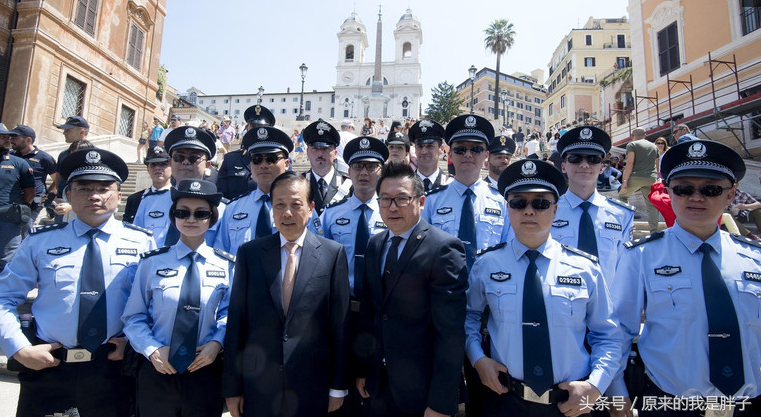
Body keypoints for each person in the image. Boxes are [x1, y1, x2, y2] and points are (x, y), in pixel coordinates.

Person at [609, 140, 761, 417]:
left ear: (730, 195)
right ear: (669, 193)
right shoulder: (642, 256)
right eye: (683, 189)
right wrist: (617, 395)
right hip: (672, 405)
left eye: (711, 189)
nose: (696, 197)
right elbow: (619, 330)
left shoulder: (755, 259)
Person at [0, 148, 156, 416]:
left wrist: (136, 341)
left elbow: (155, 304)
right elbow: (5, 296)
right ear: (68, 195)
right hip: (48, 367)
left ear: (119, 196)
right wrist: (19, 349)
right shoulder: (40, 241)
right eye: (83, 188)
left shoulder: (143, 242)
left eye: (104, 188)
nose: (94, 195)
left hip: (113, 368)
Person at [467, 159, 623, 417]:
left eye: (540, 203)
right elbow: (469, 316)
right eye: (519, 203)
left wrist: (596, 385)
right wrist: (477, 358)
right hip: (505, 401)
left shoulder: (584, 268)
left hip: (572, 402)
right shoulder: (486, 264)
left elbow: (607, 334)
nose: (529, 211)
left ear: (555, 210)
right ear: (508, 208)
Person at [222, 171, 350, 417]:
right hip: (258, 383)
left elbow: (339, 326)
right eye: (279, 205)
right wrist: (232, 388)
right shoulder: (250, 254)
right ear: (271, 208)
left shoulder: (332, 254)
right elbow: (238, 323)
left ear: (311, 208)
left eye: (296, 204)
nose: (287, 213)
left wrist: (338, 386)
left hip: (313, 382)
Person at [356, 162, 468, 417]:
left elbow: (450, 333)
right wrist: (364, 369)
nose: (393, 207)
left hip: (423, 390)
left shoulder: (444, 249)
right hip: (379, 385)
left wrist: (441, 401)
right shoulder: (375, 245)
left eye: (402, 199)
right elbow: (370, 314)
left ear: (421, 201)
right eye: (385, 200)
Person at [122, 179, 233, 417]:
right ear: (173, 217)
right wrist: (152, 350)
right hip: (158, 368)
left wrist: (216, 344)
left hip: (206, 369)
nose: (191, 219)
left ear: (211, 218)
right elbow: (134, 316)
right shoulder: (151, 263)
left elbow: (229, 314)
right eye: (183, 213)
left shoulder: (227, 266)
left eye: (200, 213)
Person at [319, 135, 388, 416]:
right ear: (348, 171)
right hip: (343, 309)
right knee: (341, 381)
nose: (363, 172)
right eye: (357, 166)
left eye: (370, 166)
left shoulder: (393, 212)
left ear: (380, 171)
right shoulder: (331, 215)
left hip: (380, 309)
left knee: (377, 387)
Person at [422, 114, 509, 271]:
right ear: (449, 155)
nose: (468, 154)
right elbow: (423, 250)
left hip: (489, 286)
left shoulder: (502, 201)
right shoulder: (432, 200)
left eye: (476, 149)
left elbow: (508, 248)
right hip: (444, 286)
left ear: (486, 155)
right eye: (460, 149)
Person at [552, 126, 635, 283]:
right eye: (575, 159)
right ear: (563, 166)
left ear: (601, 167)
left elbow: (626, 269)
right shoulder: (547, 211)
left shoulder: (621, 214)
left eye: (593, 159)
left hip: (609, 303)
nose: (584, 165)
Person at [134, 126, 222, 246]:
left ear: (207, 164)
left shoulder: (221, 209)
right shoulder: (149, 201)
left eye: (194, 158)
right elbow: (136, 245)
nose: (185, 162)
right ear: (170, 162)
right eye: (178, 157)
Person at [214, 126, 292, 255]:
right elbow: (221, 254)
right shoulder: (233, 208)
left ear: (287, 164)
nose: (263, 165)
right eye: (256, 159)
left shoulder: (300, 207)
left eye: (271, 159)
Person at [216, 105, 275, 200]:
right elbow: (221, 195)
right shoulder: (230, 159)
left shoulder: (279, 160)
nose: (257, 131)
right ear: (247, 129)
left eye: (261, 127)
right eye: (253, 127)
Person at [0, 123, 34, 271]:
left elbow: (30, 192)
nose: (8, 139)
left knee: (6, 260)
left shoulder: (19, 163)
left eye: (9, 137)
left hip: (8, 219)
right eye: (3, 137)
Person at [8, 125, 56, 229]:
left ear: (28, 140)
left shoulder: (44, 158)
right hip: (12, 202)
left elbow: (58, 180)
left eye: (15, 137)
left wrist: (48, 194)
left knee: (24, 233)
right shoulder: (10, 156)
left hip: (33, 205)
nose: (11, 140)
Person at [302, 120, 352, 216]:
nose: (320, 154)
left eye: (325, 149)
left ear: (335, 153)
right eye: (315, 149)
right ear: (308, 152)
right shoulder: (298, 183)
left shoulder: (348, 185)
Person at [618, 127, 660, 233]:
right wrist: (657, 178)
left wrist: (624, 181)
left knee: (623, 197)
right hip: (651, 178)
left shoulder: (632, 145)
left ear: (632, 136)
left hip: (636, 176)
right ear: (645, 135)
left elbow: (630, 163)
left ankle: (627, 225)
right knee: (651, 204)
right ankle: (654, 230)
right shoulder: (654, 146)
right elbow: (657, 164)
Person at [47, 116, 89, 210]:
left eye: (68, 130)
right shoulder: (63, 154)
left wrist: (73, 205)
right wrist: (60, 194)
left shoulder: (93, 155)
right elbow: (58, 176)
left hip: (84, 206)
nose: (64, 133)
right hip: (62, 203)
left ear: (81, 132)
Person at [122, 146, 171, 224]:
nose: (157, 168)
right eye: (153, 165)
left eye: (163, 164)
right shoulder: (134, 199)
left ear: (172, 167)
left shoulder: (179, 197)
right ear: (147, 169)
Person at [408, 119, 451, 193]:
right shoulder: (405, 184)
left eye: (430, 146)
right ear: (415, 149)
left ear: (441, 149)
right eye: (420, 146)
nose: (424, 151)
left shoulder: (450, 185)